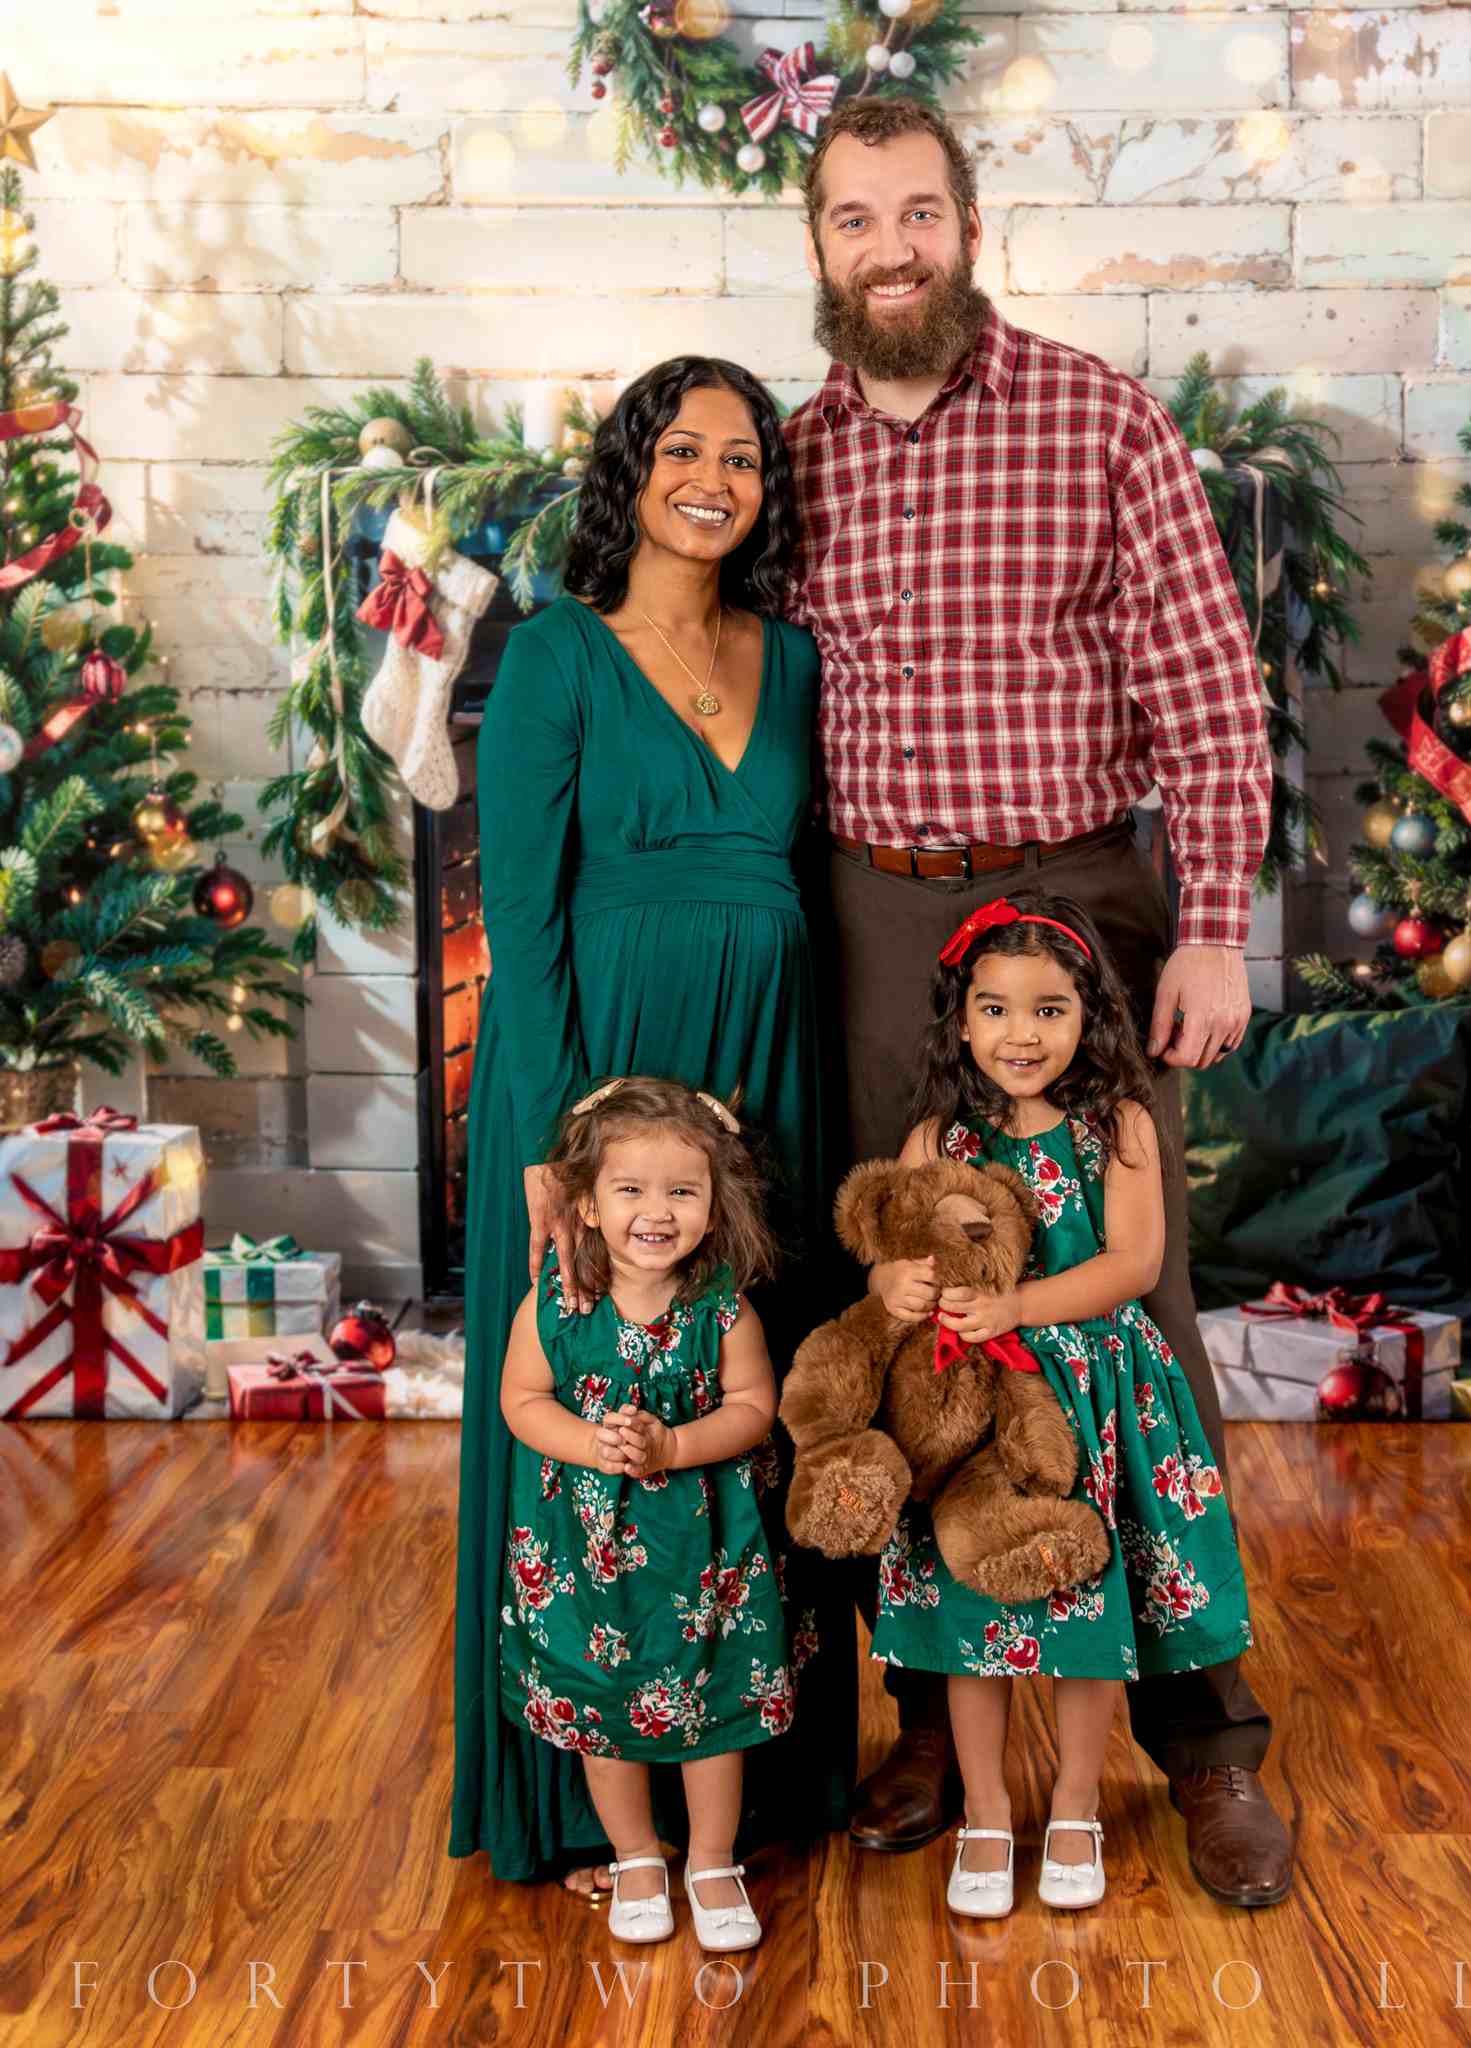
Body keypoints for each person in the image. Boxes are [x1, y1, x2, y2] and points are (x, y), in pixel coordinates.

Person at [783, 96, 1295, 1906]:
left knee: (1121, 1305)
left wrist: (1212, 924)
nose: (890, 244)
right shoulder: (790, 457)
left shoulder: (1092, 415)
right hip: (869, 912)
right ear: (819, 248)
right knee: (923, 1305)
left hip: (1074, 889)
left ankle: (1203, 1727)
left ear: (968, 224)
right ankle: (937, 1714)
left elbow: (1208, 690)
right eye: (855, 219)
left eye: (917, 209)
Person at [451, 356, 856, 1899]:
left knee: (752, 1393)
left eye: (742, 455)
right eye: (680, 447)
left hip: (764, 1076)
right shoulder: (558, 657)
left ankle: (761, 1778)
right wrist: (561, 1140)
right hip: (596, 1067)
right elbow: (522, 905)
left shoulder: (798, 658)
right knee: (585, 1418)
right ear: (629, 471)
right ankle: (577, 1810)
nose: (713, 476)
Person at [866, 893, 1252, 1918]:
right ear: (959, 1018)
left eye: (1047, 1009)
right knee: (971, 1621)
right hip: (978, 1412)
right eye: (992, 1008)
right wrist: (896, 1289)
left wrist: (1016, 1305)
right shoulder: (935, 1137)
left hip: (1092, 1399)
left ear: (1091, 1016)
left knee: (1090, 1612)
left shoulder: (1113, 1124)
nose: (1019, 1033)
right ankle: (988, 1809)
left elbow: (1134, 1263)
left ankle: (1076, 1801)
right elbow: (901, 1259)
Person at [500, 1077, 793, 1950]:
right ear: (584, 1206)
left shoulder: (721, 1307)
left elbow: (753, 1406)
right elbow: (522, 1399)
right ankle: (633, 1854)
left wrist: (671, 1448)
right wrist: (591, 1444)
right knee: (602, 1706)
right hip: (583, 1550)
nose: (655, 1211)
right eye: (629, 1190)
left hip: (706, 1548)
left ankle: (710, 1859)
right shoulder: (554, 1302)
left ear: (714, 1203)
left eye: (681, 1191)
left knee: (714, 1704)